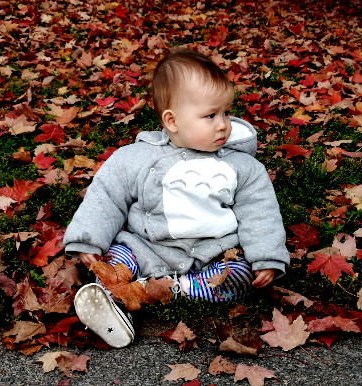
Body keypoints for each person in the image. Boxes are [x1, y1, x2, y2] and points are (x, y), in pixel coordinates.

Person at [62, 49, 289, 348]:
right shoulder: (135, 159)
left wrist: (266, 256)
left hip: (214, 254)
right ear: (172, 120)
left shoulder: (243, 167)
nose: (223, 124)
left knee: (241, 274)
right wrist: (88, 239)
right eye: (210, 115)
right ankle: (112, 304)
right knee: (117, 258)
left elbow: (260, 212)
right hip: (147, 249)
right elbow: (106, 197)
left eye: (225, 113)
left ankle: (165, 290)